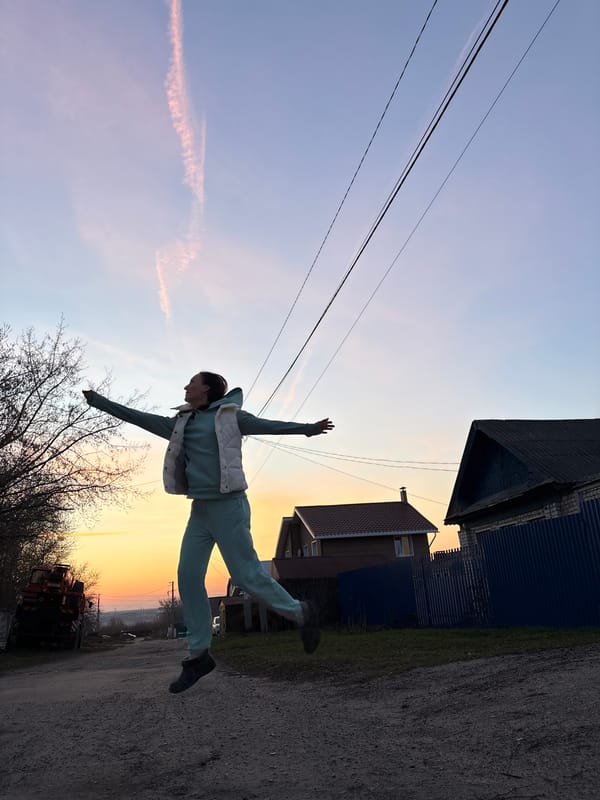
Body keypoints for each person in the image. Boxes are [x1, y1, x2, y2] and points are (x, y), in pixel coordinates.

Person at [83, 372, 334, 693]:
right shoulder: (182, 423)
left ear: (208, 390)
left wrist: (307, 430)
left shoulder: (230, 418)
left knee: (245, 576)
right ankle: (198, 655)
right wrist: (100, 403)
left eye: (192, 383)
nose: (186, 387)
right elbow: (140, 418)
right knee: (187, 576)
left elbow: (268, 426)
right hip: (200, 510)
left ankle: (301, 612)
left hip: (229, 507)